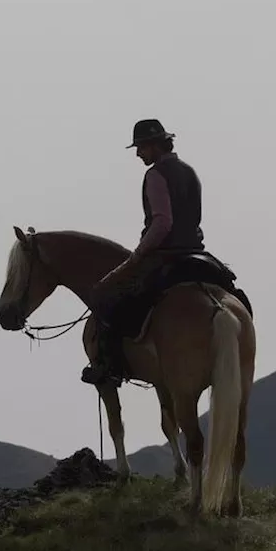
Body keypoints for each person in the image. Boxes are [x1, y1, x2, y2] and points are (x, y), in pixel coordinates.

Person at [80, 118, 208, 386]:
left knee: (107, 297)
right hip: (197, 252)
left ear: (155, 146)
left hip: (164, 255)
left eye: (141, 148)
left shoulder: (155, 175)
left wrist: (138, 254)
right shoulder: (189, 171)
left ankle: (110, 368)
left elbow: (163, 222)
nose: (139, 154)